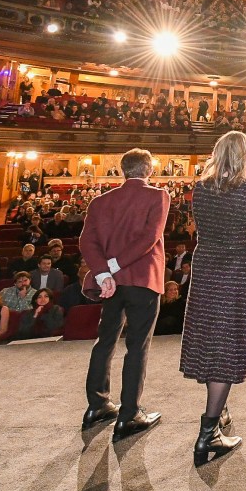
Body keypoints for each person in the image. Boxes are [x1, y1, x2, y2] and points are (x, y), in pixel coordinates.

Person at [179, 132, 246, 465]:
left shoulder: (199, 189)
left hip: (204, 271)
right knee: (227, 346)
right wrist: (239, 256)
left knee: (208, 340)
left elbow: (201, 229)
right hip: (235, 274)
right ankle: (208, 435)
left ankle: (220, 411)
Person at [81, 148, 170, 441]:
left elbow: (87, 241)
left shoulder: (100, 201)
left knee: (105, 340)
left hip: (110, 284)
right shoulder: (158, 196)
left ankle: (97, 405)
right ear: (148, 169)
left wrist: (103, 272)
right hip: (143, 279)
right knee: (137, 346)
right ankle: (129, 414)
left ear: (123, 170)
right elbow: (149, 238)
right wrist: (115, 266)